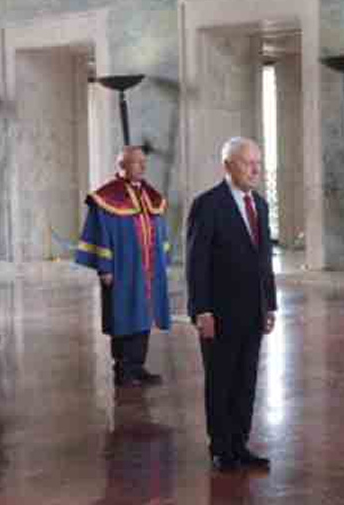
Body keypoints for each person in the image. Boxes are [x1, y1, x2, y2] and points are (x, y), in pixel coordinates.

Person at [185, 137, 277, 473]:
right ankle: (221, 448)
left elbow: (263, 261)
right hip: (219, 314)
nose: (255, 169)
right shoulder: (207, 205)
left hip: (253, 311)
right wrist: (201, 310)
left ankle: (240, 443)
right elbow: (197, 263)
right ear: (227, 166)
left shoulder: (261, 206)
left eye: (258, 163)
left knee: (246, 380)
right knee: (221, 380)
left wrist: (270, 305)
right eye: (247, 163)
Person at [75, 146, 171, 387]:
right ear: (122, 166)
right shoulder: (107, 197)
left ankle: (138, 366)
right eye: (137, 162)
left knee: (144, 315)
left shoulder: (151, 196)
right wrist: (104, 268)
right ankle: (123, 369)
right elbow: (100, 234)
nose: (143, 166)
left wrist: (162, 262)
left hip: (147, 270)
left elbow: (161, 231)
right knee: (124, 315)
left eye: (143, 162)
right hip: (122, 269)